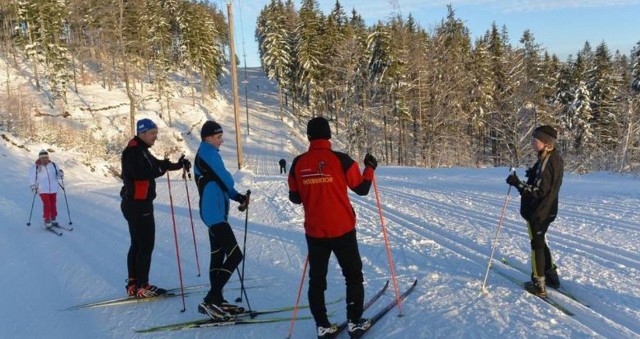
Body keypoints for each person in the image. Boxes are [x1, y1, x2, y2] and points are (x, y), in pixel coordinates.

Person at [287, 117, 378, 338]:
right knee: (353, 275)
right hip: (343, 229)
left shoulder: (298, 163)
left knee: (317, 280)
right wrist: (370, 168)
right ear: (328, 136)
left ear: (309, 137)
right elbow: (362, 188)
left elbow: (295, 197)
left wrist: (313, 187)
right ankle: (355, 322)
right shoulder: (342, 160)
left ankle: (323, 326)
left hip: (315, 231)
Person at [120, 118, 190, 298]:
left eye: (156, 133)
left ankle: (133, 284)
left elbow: (157, 164)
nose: (155, 137)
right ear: (142, 133)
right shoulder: (134, 151)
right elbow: (142, 174)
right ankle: (142, 285)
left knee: (137, 244)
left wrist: (177, 165)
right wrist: (162, 171)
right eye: (152, 133)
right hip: (138, 204)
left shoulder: (140, 149)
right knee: (145, 244)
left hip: (136, 203)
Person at [194, 120, 250, 319]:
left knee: (218, 256)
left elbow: (222, 184)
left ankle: (216, 299)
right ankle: (210, 299)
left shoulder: (208, 152)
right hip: (214, 215)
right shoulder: (207, 153)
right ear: (208, 138)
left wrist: (238, 197)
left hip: (213, 214)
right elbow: (226, 179)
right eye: (218, 137)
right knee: (236, 255)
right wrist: (233, 187)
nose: (221, 141)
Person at [506, 125, 564, 297]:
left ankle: (539, 283)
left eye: (535, 140)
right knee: (541, 241)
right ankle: (551, 275)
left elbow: (539, 192)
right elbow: (545, 182)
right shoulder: (552, 157)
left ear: (546, 143)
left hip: (539, 211)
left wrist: (518, 183)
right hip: (548, 209)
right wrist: (533, 174)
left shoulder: (548, 161)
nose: (532, 143)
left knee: (536, 245)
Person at [29, 149, 64, 228]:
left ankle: (53, 218)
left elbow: (57, 176)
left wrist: (61, 174)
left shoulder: (54, 165)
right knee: (47, 205)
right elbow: (32, 177)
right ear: (40, 158)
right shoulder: (36, 166)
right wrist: (33, 186)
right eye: (43, 158)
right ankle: (47, 219)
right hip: (42, 189)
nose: (45, 159)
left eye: (46, 157)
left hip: (53, 188)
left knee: (53, 204)